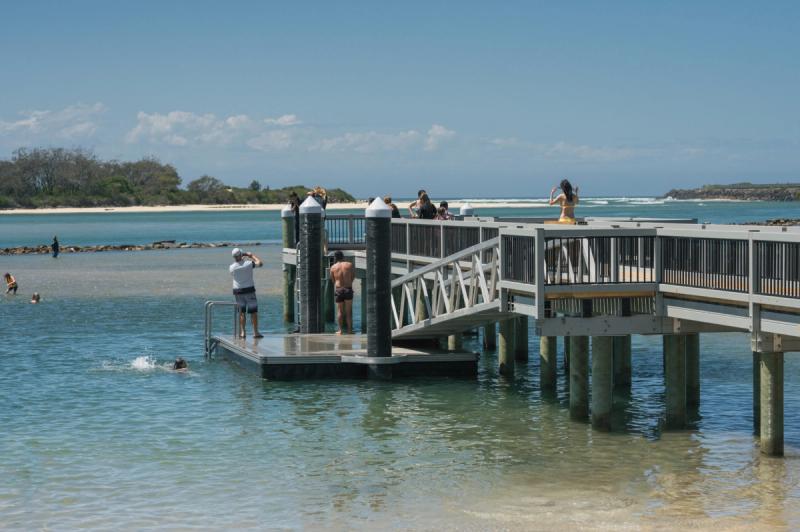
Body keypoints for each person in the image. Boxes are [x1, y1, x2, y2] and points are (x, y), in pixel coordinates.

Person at [229, 248, 264, 339]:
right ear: (241, 255)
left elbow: (237, 268)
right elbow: (260, 263)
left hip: (238, 291)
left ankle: (243, 332)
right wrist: (251, 255)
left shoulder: (232, 267)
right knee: (253, 312)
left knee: (241, 312)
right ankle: (255, 332)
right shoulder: (248, 263)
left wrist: (241, 258)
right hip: (249, 290)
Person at [329, 250, 355, 335]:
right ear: (343, 256)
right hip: (348, 289)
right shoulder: (349, 265)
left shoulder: (333, 267)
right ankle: (350, 330)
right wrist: (348, 284)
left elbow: (333, 280)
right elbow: (353, 276)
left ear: (335, 258)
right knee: (348, 311)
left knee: (340, 311)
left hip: (339, 289)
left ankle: (340, 330)